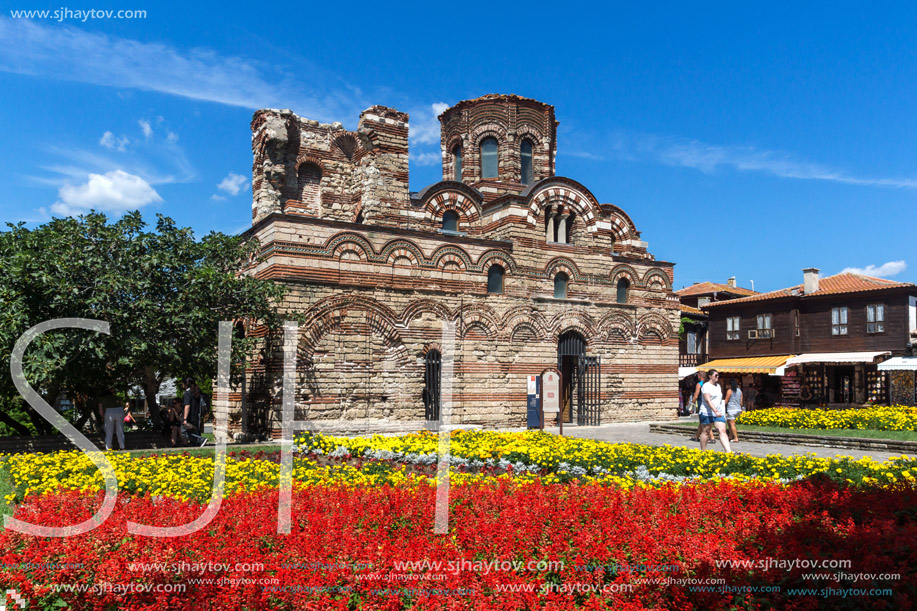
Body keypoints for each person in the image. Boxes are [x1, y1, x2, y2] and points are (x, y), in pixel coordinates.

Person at [699, 369, 731, 453]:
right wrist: (715, 411)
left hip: (718, 412)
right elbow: (707, 400)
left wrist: (720, 411)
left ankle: (728, 451)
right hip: (707, 412)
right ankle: (703, 451)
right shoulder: (706, 386)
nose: (718, 377)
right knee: (706, 431)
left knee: (722, 430)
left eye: (718, 375)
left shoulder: (718, 386)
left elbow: (719, 400)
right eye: (716, 375)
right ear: (710, 376)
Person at [182, 378, 208, 447]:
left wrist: (185, 419)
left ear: (185, 384)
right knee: (195, 431)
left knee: (184, 432)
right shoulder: (197, 392)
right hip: (197, 415)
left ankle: (201, 440)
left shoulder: (187, 393)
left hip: (190, 416)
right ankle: (198, 444)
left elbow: (187, 406)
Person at [724, 379, 743, 443]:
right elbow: (741, 401)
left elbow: (726, 400)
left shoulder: (729, 391)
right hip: (738, 408)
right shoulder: (739, 391)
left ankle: (735, 438)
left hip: (731, 409)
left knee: (732, 424)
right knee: (729, 421)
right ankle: (730, 435)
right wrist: (741, 408)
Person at [691, 372, 708, 442]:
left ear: (700, 376)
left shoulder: (700, 384)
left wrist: (692, 403)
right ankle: (697, 436)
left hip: (702, 403)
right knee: (704, 421)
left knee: (704, 421)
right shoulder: (708, 384)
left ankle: (712, 438)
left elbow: (696, 395)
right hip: (709, 403)